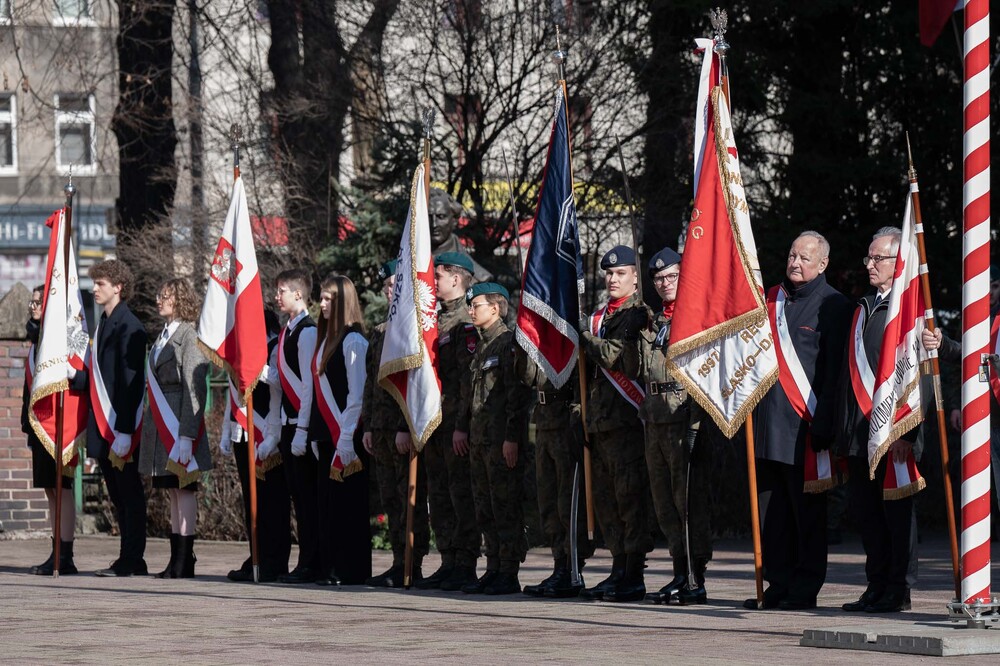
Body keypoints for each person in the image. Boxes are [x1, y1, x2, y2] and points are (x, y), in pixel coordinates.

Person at [745, 231, 851, 610]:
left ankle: (806, 586)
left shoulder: (835, 305)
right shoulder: (769, 300)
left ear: (822, 264)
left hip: (806, 429)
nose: (795, 263)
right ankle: (778, 582)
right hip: (765, 427)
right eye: (792, 255)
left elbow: (835, 372)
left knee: (806, 515)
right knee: (772, 514)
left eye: (804, 258)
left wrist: (825, 422)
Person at [836, 227, 922, 614]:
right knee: (867, 515)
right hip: (859, 432)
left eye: (879, 258)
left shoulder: (909, 312)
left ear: (898, 261)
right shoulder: (864, 306)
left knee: (896, 516)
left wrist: (910, 432)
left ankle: (898, 589)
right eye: (868, 258)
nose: (870, 264)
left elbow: (918, 376)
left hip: (893, 431)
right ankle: (875, 585)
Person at [624, 247, 711, 605]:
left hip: (685, 418)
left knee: (688, 501)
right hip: (655, 417)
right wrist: (632, 336)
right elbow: (634, 370)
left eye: (671, 276)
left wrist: (698, 423)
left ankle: (696, 575)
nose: (664, 283)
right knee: (664, 502)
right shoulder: (652, 321)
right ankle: (679, 570)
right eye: (658, 278)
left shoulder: (697, 317)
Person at [578, 245, 652, 602]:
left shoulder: (638, 315)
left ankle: (634, 573)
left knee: (630, 499)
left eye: (620, 273)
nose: (612, 279)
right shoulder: (600, 318)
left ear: (634, 278)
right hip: (600, 423)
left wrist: (583, 335)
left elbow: (611, 356)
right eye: (608, 274)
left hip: (626, 422)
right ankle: (617, 567)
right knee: (607, 500)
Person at [460, 282, 533, 594]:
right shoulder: (482, 346)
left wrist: (512, 437)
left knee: (505, 505)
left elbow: (516, 395)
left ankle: (508, 570)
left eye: (476, 305)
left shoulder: (506, 343)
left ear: (495, 307)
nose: (471, 311)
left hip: (500, 440)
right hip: (481, 441)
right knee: (485, 507)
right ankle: (493, 568)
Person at [362, 259, 431, 587]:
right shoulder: (377, 332)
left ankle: (412, 563)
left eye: (394, 285)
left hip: (402, 428)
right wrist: (368, 427)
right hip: (380, 428)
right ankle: (397, 560)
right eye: (387, 286)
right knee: (390, 497)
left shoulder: (413, 329)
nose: (389, 290)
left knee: (408, 497)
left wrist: (406, 426)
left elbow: (415, 384)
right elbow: (370, 383)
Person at [138, 278, 212, 578]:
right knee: (171, 491)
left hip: (180, 423)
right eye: (158, 293)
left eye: (165, 295)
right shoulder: (161, 336)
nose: (159, 299)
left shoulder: (189, 336)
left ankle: (185, 559)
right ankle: (175, 559)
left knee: (185, 492)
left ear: (180, 300)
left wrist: (187, 435)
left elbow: (195, 389)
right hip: (161, 423)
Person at [420, 252, 480, 591]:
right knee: (440, 494)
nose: (434, 283)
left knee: (460, 494)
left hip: (453, 422)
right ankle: (448, 559)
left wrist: (461, 425)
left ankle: (465, 562)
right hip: (434, 422)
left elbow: (464, 381)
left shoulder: (465, 321)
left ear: (456, 279)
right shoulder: (437, 320)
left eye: (438, 276)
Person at [86, 259, 149, 577]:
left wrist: (124, 429)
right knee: (117, 494)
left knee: (129, 494)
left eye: (101, 283)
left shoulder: (130, 326)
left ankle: (134, 557)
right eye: (94, 283)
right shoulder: (103, 325)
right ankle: (127, 555)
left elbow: (131, 381)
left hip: (120, 426)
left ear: (118, 287)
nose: (95, 288)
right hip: (105, 425)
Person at [309, 274, 371, 585]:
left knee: (348, 508)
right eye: (321, 298)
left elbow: (356, 395)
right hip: (328, 436)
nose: (321, 304)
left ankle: (350, 569)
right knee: (328, 506)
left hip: (348, 437)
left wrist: (345, 437)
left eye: (328, 299)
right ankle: (330, 566)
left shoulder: (353, 340)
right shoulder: (326, 341)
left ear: (344, 301)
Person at [221, 309, 291, 583]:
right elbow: (232, 392)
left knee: (273, 502)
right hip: (243, 431)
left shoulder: (275, 346)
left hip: (266, 435)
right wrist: (227, 431)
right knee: (251, 502)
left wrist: (272, 437)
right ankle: (256, 556)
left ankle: (275, 560)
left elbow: (278, 388)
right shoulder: (239, 351)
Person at [518, 352, 591, 598]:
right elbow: (528, 377)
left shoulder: (568, 331)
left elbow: (582, 379)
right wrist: (524, 348)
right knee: (547, 501)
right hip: (544, 421)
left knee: (566, 502)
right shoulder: (539, 340)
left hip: (564, 423)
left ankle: (572, 568)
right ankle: (559, 564)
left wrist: (578, 416)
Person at [23, 285, 84, 575]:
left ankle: (66, 554)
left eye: (38, 302)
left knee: (62, 488)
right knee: (50, 490)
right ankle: (55, 549)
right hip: (40, 425)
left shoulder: (59, 340)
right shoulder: (36, 340)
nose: (33, 307)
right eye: (32, 302)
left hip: (58, 426)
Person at [268, 268, 320, 583]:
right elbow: (283, 378)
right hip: (289, 423)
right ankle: (304, 561)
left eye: (282, 290)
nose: (277, 296)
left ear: (298, 294)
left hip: (302, 425)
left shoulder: (308, 331)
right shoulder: (289, 329)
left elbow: (307, 385)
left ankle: (310, 561)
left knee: (306, 498)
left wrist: (302, 429)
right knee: (296, 497)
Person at [429, 188, 492, 282]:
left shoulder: (479, 277)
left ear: (454, 220)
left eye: (441, 217)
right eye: (428, 217)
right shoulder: (406, 266)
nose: (434, 224)